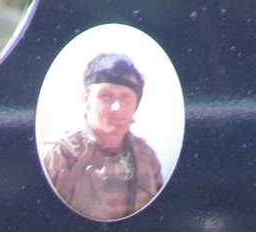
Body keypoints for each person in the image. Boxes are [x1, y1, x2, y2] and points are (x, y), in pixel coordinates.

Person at [41, 53, 164, 221]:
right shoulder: (58, 156)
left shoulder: (147, 157)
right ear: (86, 100)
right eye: (106, 96)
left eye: (126, 98)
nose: (117, 108)